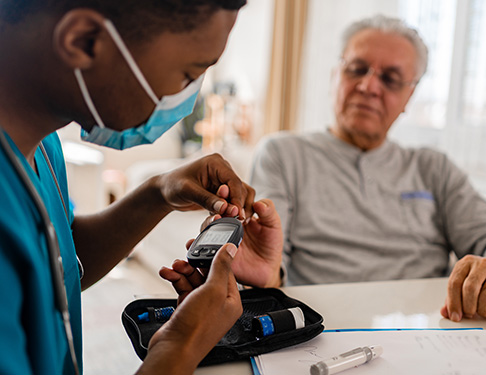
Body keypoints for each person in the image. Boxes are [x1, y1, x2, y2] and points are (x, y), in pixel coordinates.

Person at [0, 1, 282, 374]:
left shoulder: (41, 143)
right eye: (188, 74)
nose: (186, 99)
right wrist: (178, 346)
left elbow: (59, 261)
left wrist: (159, 193)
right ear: (84, 41)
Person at [250, 15, 486, 323]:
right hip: (320, 327)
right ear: (335, 74)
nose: (368, 87)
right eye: (357, 69)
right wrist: (265, 276)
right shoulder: (283, 154)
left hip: (428, 330)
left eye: (390, 79)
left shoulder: (433, 167)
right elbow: (270, 263)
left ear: (409, 96)